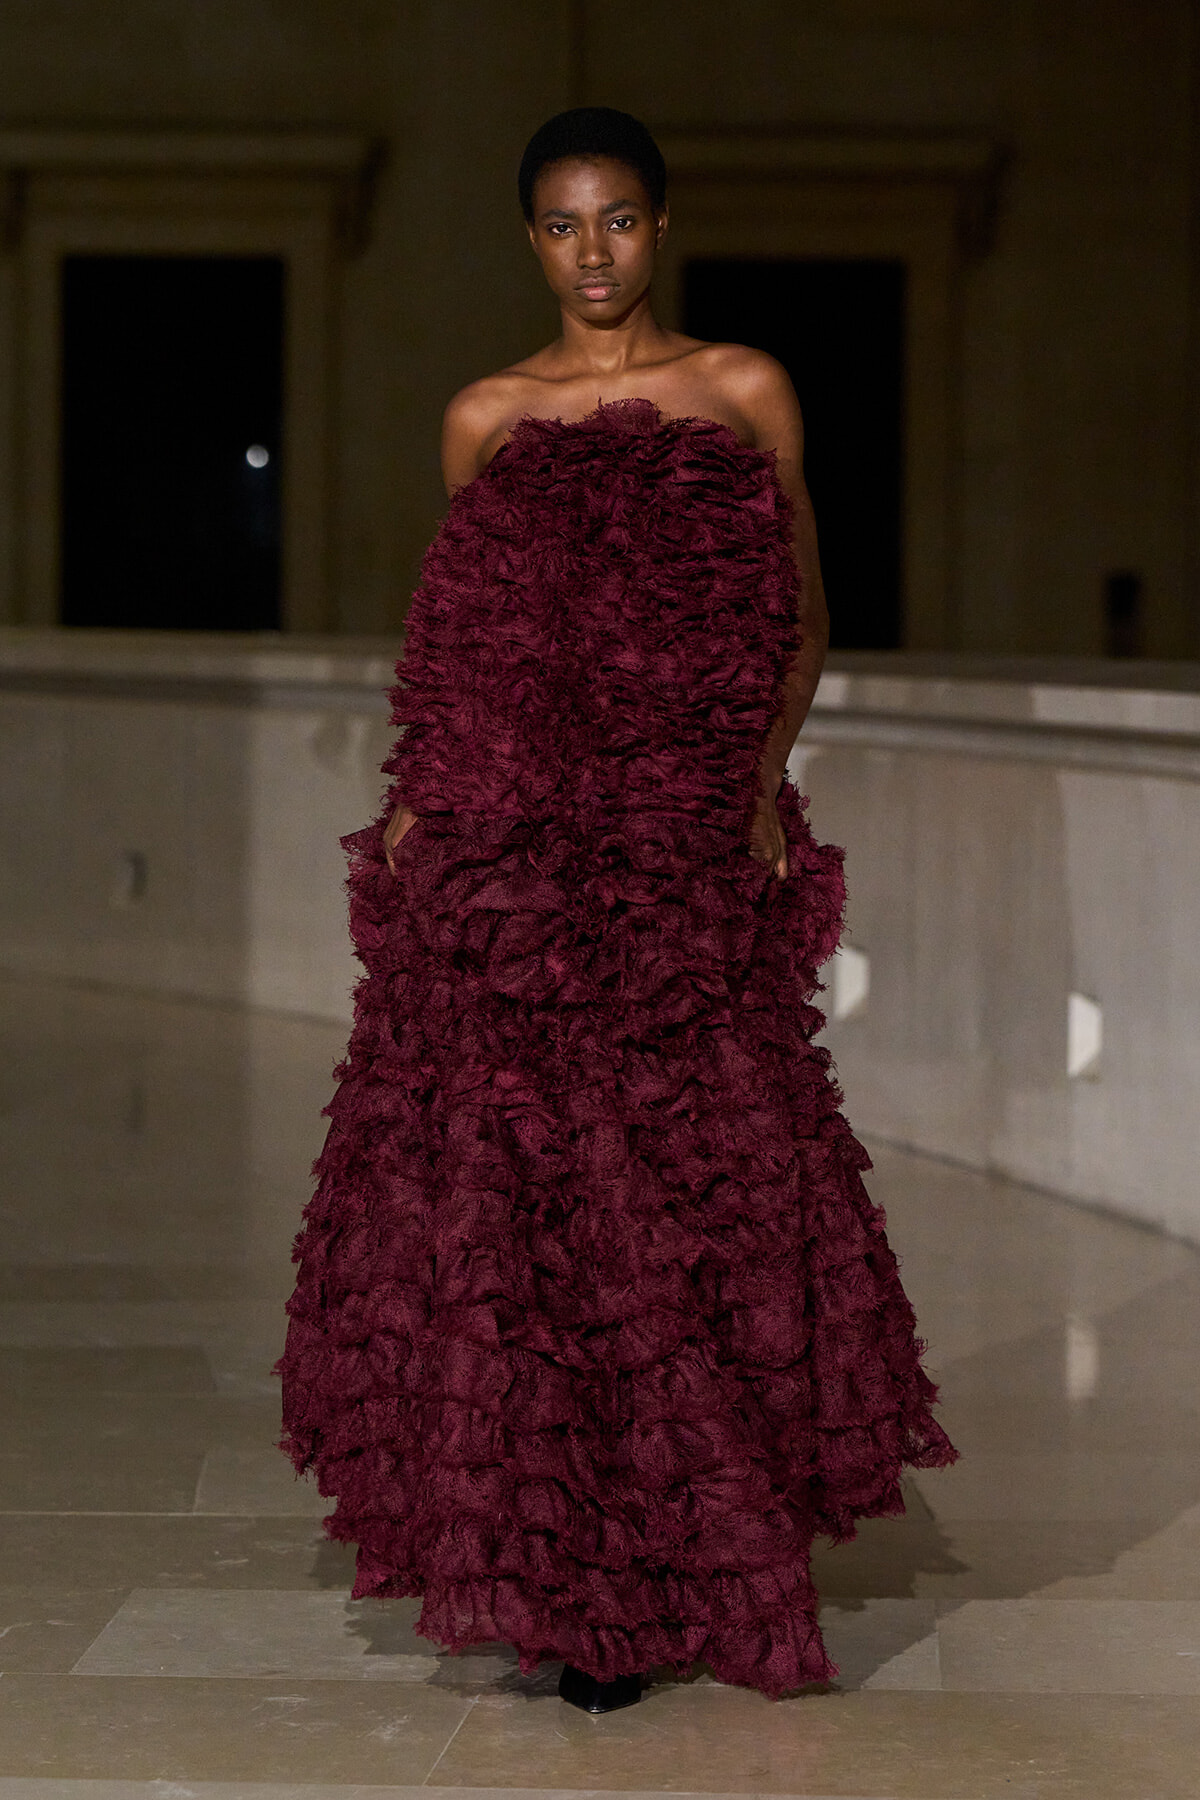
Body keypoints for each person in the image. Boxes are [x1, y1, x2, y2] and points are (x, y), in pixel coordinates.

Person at [276, 105, 956, 1716]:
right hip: (521, 859)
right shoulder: (485, 418)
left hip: (681, 856)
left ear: (662, 227)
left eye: (623, 221)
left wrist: (755, 788)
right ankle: (581, 1585)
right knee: (544, 1200)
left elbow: (801, 608)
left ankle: (712, 1532)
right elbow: (464, 643)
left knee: (702, 1179)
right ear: (531, 240)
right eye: (566, 227)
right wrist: (432, 827)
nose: (596, 254)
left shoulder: (744, 389)